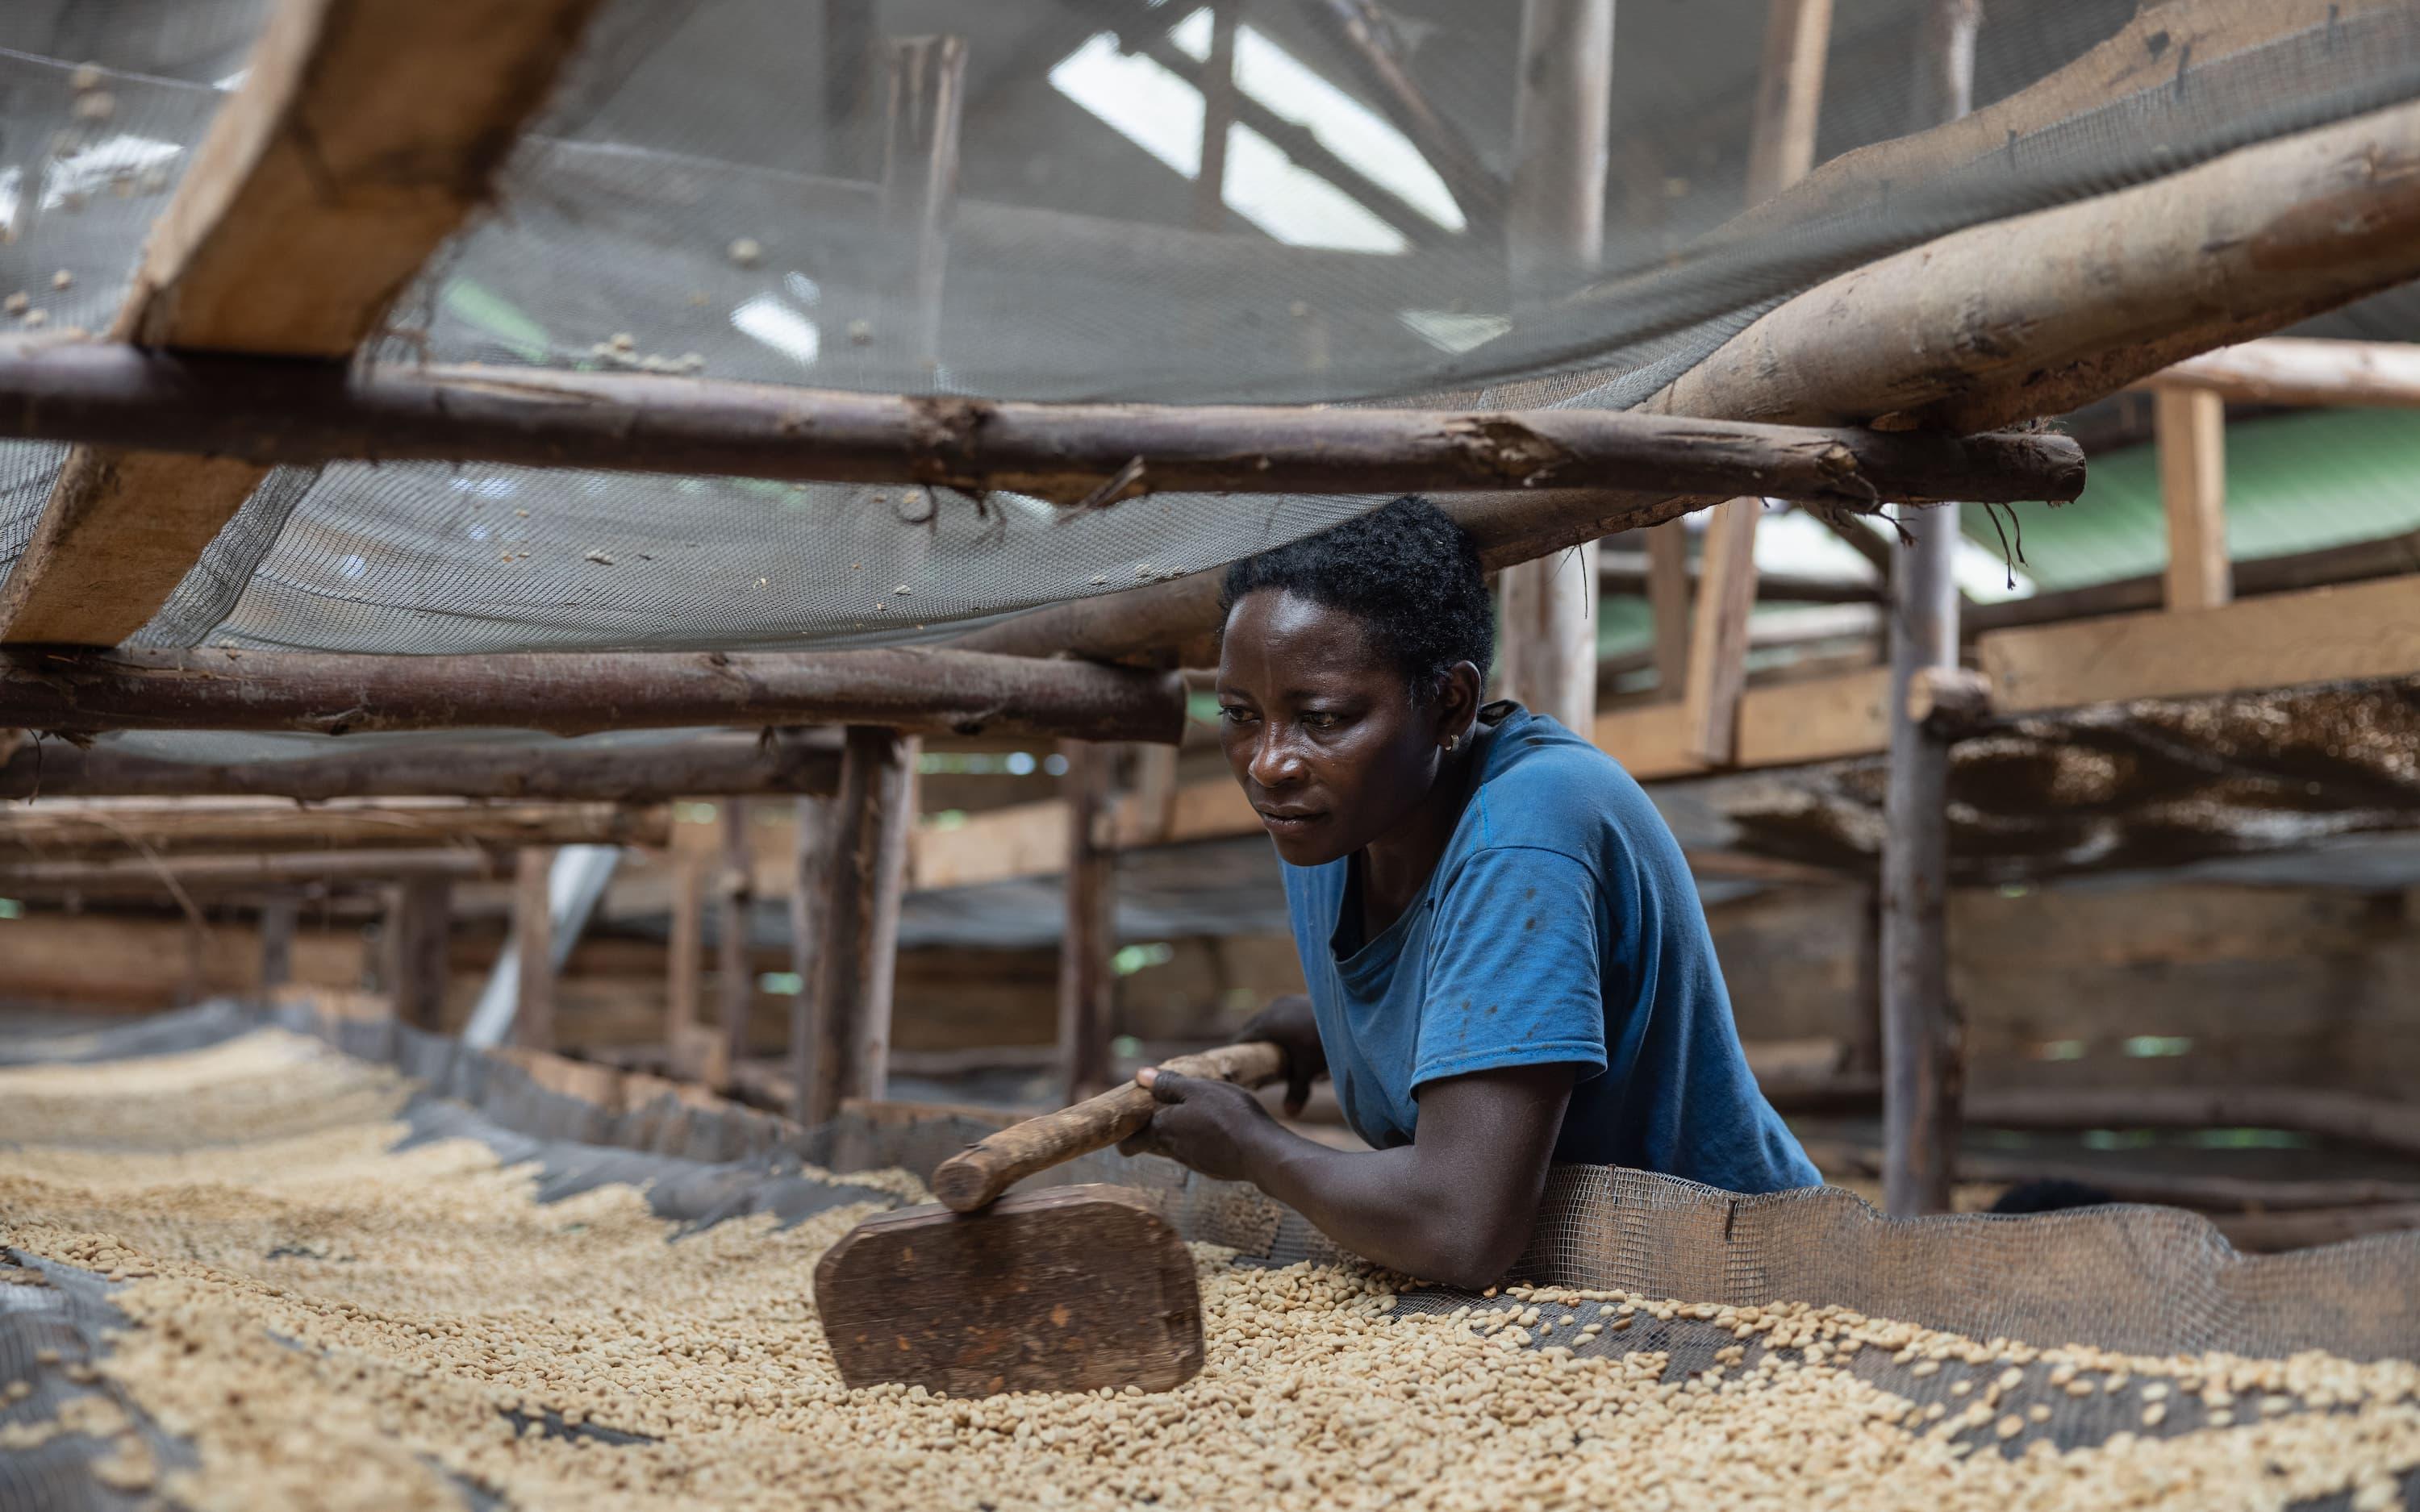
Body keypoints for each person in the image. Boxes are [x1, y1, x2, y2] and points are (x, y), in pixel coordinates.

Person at [1120, 495, 1820, 1289]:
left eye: (1323, 718)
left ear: (1449, 702)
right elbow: (1480, 993)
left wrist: (1256, 1148)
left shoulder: (1528, 825)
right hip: (1571, 1299)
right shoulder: (1330, 818)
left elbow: (1460, 1226)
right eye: (1242, 715)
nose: (1268, 762)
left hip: (1734, 1278)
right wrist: (1337, 1024)